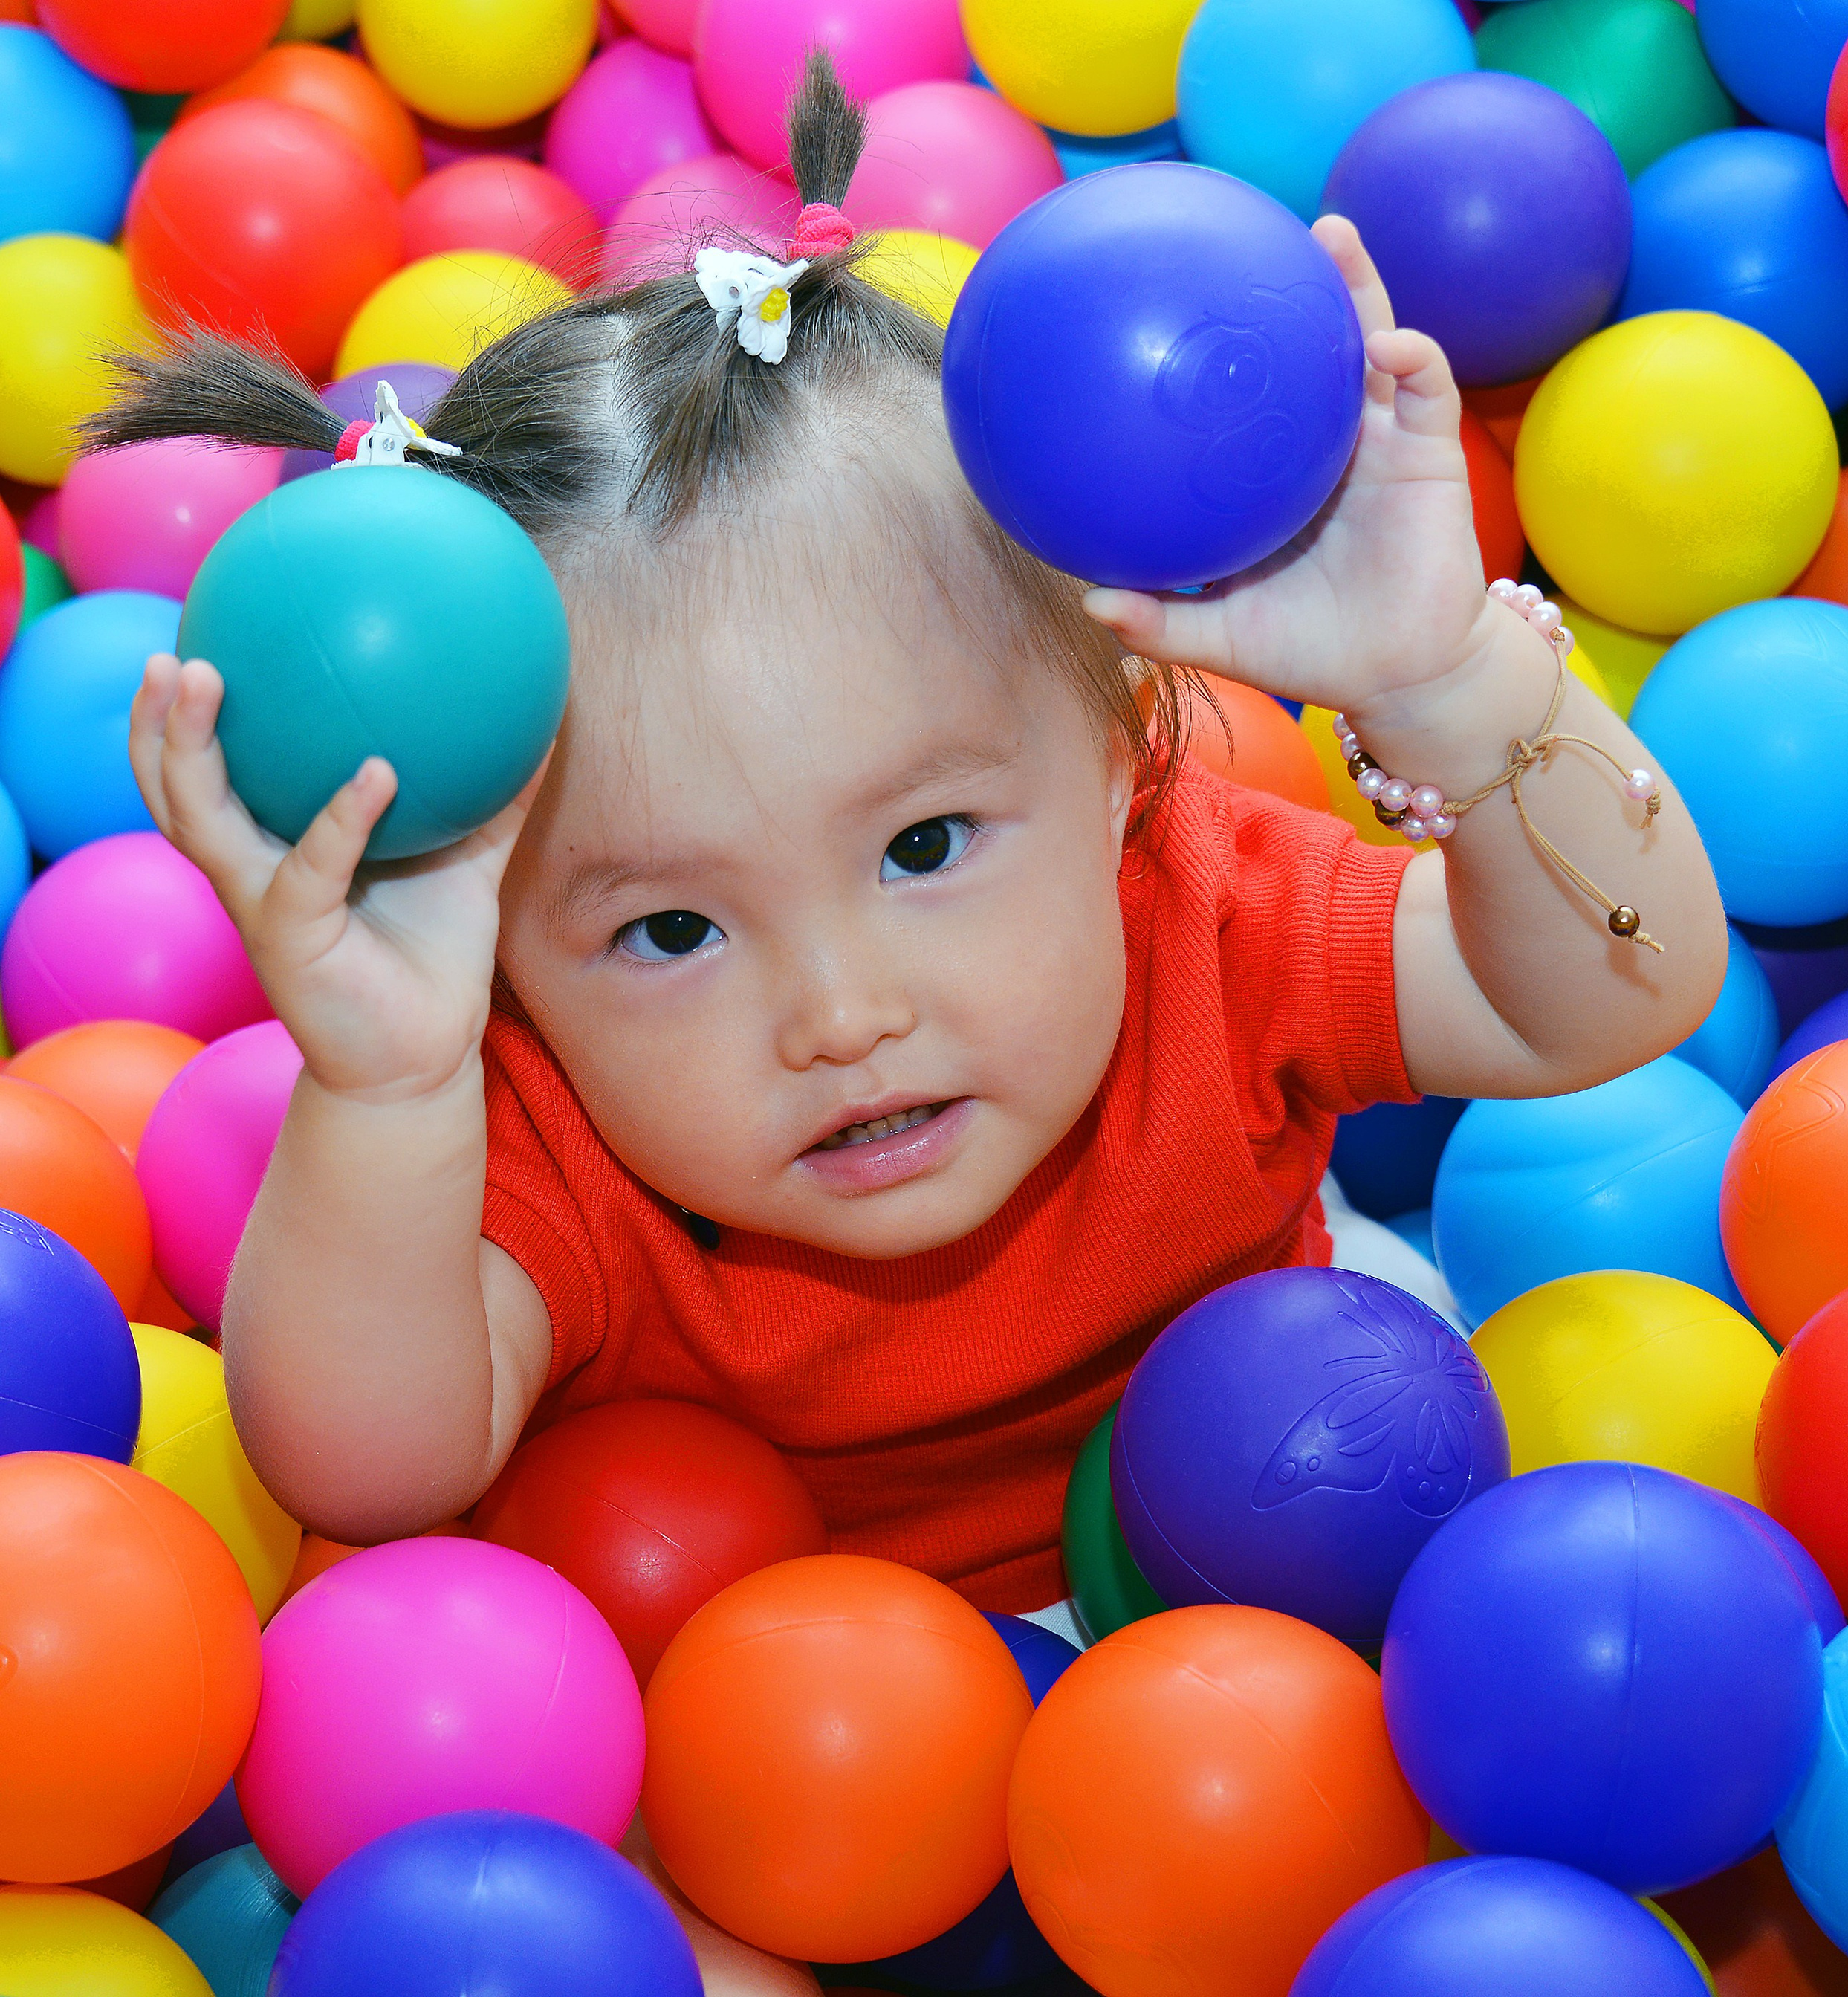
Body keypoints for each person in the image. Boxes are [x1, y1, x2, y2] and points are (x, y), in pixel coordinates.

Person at [98, 57, 1726, 1620]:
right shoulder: (540, 1130)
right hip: (790, 1715)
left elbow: (1591, 999)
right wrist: (382, 1089)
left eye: (925, 843)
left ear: (1113, 753)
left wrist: (1446, 680)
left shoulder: (1201, 921)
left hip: (1317, 1531)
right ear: (504, 941)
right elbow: (371, 1470)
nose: (839, 1013)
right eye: (671, 934)